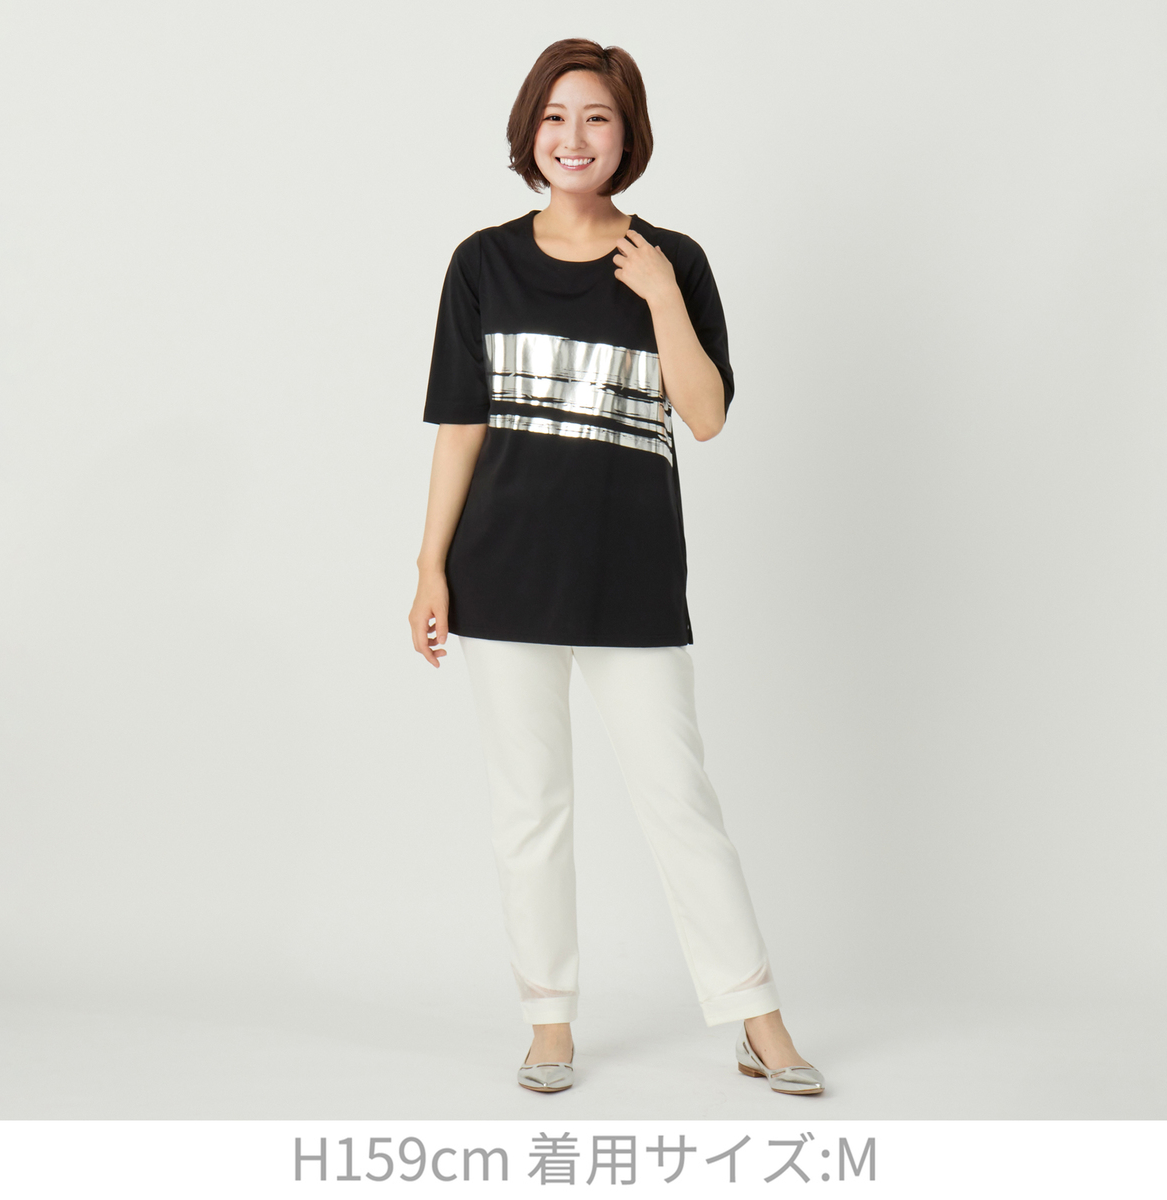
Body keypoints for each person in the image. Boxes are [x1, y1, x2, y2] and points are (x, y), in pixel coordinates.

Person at [409, 37, 826, 1097]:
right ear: (530, 133)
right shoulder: (482, 264)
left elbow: (707, 416)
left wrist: (662, 295)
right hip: (502, 575)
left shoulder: (671, 260)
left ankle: (757, 1019)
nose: (573, 137)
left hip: (631, 579)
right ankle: (548, 1025)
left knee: (679, 800)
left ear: (626, 133)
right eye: (555, 117)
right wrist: (429, 569)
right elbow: (460, 427)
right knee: (530, 806)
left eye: (595, 116)